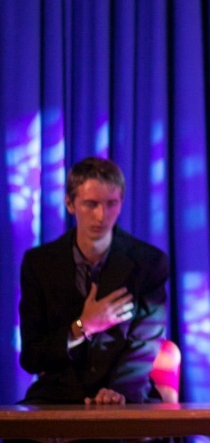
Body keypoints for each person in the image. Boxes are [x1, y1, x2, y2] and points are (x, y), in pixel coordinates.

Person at [18, 156, 170, 407]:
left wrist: (117, 391)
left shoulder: (149, 263)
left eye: (111, 204)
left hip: (127, 395)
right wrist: (82, 326)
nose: (101, 216)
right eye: (91, 204)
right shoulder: (39, 264)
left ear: (121, 203)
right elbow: (32, 357)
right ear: (70, 204)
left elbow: (145, 344)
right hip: (58, 396)